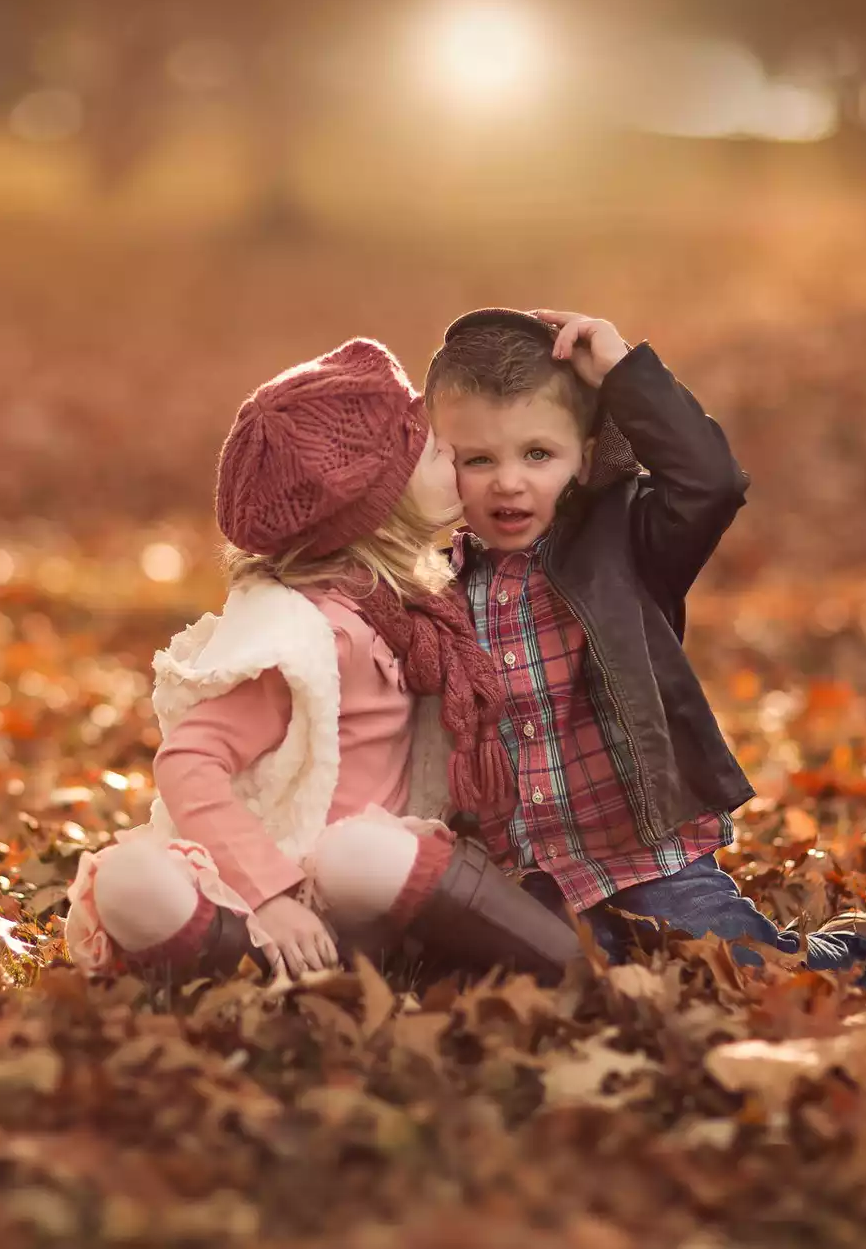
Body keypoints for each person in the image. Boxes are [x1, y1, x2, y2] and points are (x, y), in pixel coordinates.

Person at [425, 308, 866, 995]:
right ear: (443, 465)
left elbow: (711, 483)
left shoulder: (624, 540)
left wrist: (625, 374)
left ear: (585, 455)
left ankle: (864, 957)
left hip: (646, 855)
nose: (510, 482)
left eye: (538, 454)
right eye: (480, 460)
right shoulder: (433, 581)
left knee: (740, 971)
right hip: (525, 871)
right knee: (562, 984)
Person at [64, 338, 580, 984]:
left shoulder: (419, 606)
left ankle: (564, 963)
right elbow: (190, 762)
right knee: (133, 880)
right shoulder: (308, 635)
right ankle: (263, 964)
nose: (451, 448)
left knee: (360, 855)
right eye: (430, 448)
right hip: (276, 879)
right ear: (377, 505)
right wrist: (273, 896)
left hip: (369, 881)